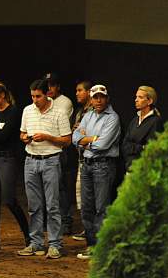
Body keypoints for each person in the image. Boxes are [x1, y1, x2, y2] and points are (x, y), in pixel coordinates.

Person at [17, 79, 72, 259]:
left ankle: (55, 244)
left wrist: (48, 137)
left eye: (38, 96)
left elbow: (67, 140)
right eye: (32, 96)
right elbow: (22, 133)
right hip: (31, 159)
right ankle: (36, 243)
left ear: (47, 94)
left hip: (51, 160)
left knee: (52, 205)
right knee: (34, 205)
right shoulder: (27, 110)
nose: (35, 100)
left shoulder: (59, 112)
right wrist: (25, 137)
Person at [72, 84, 121, 260]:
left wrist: (86, 140)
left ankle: (101, 248)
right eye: (95, 97)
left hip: (104, 166)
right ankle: (92, 246)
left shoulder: (112, 118)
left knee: (101, 208)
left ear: (107, 98)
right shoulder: (89, 115)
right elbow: (74, 137)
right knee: (87, 207)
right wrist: (91, 138)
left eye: (101, 97)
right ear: (91, 100)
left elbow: (103, 144)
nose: (98, 100)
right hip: (87, 165)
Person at [0, 81, 30, 251]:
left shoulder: (14, 112)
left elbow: (4, 136)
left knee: (9, 199)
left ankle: (28, 235)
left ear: (2, 95)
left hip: (7, 158)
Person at [44, 72, 77, 236]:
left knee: (63, 188)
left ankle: (66, 221)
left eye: (52, 85)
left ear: (58, 87)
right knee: (49, 187)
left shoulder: (64, 102)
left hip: (62, 149)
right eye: (47, 85)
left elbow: (54, 125)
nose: (49, 88)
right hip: (47, 148)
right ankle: (50, 221)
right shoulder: (44, 101)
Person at [121, 85, 162, 171]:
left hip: (145, 172)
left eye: (140, 97)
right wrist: (140, 147)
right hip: (130, 169)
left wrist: (133, 147)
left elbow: (151, 150)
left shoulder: (155, 122)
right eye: (136, 97)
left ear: (149, 101)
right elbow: (124, 145)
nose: (136, 100)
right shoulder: (134, 120)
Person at [71, 80, 92, 242]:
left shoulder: (95, 111)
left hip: (93, 159)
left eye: (80, 90)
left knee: (90, 195)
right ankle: (87, 227)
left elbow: (92, 135)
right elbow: (75, 135)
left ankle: (92, 229)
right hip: (80, 158)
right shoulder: (79, 112)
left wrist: (81, 134)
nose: (77, 93)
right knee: (80, 194)